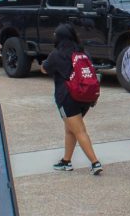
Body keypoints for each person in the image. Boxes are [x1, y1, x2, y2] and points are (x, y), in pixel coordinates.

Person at [40, 24, 103, 175]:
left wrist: (43, 65)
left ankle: (95, 162)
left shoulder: (56, 54)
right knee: (70, 130)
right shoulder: (83, 52)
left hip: (67, 98)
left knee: (79, 130)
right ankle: (66, 161)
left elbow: (45, 69)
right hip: (85, 97)